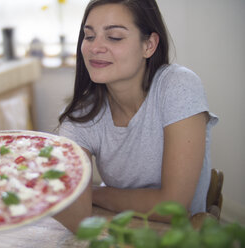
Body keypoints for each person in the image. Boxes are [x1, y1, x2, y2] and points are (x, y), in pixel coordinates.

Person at [54, 0, 218, 232]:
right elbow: (76, 213)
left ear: (148, 45)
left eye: (115, 37)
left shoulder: (177, 85)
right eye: (89, 36)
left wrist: (95, 192)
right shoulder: (78, 116)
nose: (95, 47)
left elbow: (174, 207)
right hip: (118, 230)